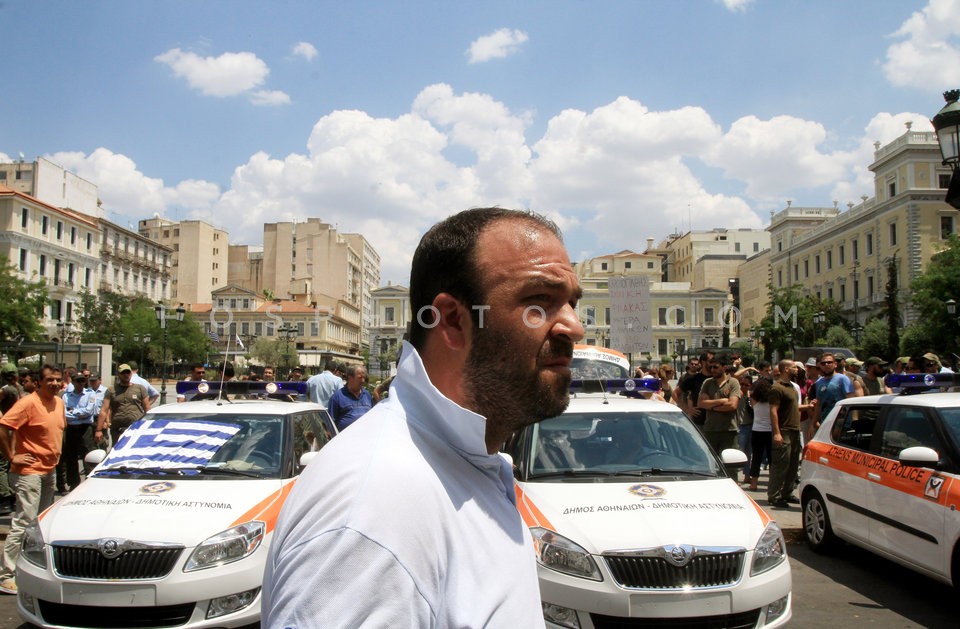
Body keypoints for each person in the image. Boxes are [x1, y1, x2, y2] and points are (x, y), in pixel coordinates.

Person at [264, 207, 583, 627]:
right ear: (452, 320)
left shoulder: (461, 463)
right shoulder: (377, 508)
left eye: (572, 304)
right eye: (539, 302)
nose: (574, 328)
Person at [0, 364, 66, 595]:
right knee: (24, 520)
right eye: (50, 379)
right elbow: (4, 426)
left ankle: (31, 568)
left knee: (41, 523)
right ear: (39, 382)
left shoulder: (59, 402)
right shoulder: (27, 403)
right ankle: (7, 574)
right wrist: (11, 456)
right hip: (29, 471)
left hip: (49, 469)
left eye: (58, 379)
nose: (55, 383)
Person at [767, 360, 802, 508]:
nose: (797, 369)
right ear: (786, 369)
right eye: (794, 367)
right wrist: (776, 433)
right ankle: (774, 495)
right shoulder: (777, 388)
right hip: (784, 431)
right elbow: (773, 410)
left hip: (794, 430)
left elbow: (794, 407)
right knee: (781, 464)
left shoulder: (792, 388)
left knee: (793, 465)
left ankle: (787, 493)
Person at [95, 364, 150, 447]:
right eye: (123, 373)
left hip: (136, 428)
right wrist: (98, 430)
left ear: (131, 374)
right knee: (117, 451)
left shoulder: (140, 388)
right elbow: (103, 410)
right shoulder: (111, 390)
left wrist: (148, 426)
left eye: (128, 372)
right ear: (119, 374)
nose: (126, 375)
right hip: (117, 429)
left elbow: (147, 409)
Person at [697, 357, 742, 457]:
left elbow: (732, 405)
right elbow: (701, 403)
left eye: (716, 367)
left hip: (729, 430)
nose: (712, 370)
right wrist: (722, 401)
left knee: (730, 464)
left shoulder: (733, 382)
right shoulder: (707, 383)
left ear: (724, 368)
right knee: (711, 463)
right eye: (711, 367)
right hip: (710, 429)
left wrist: (711, 406)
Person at [60, 373, 95, 492]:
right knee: (71, 457)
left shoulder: (90, 394)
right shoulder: (66, 396)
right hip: (71, 429)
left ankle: (89, 482)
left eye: (82, 381)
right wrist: (78, 414)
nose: (80, 383)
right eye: (78, 381)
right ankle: (73, 483)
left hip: (85, 428)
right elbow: (64, 413)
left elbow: (88, 411)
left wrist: (73, 412)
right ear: (73, 382)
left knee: (87, 455)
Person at [0, 364, 24, 514]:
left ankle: (5, 497)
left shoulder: (5, 390)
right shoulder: (19, 388)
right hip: (16, 428)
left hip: (6, 427)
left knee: (2, 465)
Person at [811, 353, 854, 431]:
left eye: (829, 362)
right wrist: (813, 423)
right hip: (825, 424)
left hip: (841, 424)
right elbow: (818, 404)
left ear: (835, 364)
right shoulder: (819, 383)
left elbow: (850, 402)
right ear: (820, 366)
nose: (826, 364)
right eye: (823, 363)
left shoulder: (843, 379)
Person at [745, 375, 773, 492]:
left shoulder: (754, 399)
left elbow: (749, 398)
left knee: (756, 457)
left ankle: (754, 483)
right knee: (772, 458)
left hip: (757, 430)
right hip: (770, 430)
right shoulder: (772, 400)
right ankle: (772, 483)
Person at [326, 365, 374, 431]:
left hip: (367, 437)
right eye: (360, 378)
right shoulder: (337, 397)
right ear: (350, 378)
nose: (363, 381)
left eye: (364, 378)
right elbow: (330, 424)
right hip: (346, 439)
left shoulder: (367, 395)